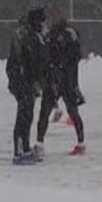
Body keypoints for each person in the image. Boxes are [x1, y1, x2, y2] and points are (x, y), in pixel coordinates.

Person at [7, 7, 48, 164]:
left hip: (27, 81)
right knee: (23, 115)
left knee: (28, 114)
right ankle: (18, 152)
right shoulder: (26, 36)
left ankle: (24, 147)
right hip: (22, 80)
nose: (44, 24)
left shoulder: (34, 36)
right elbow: (26, 61)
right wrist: (26, 80)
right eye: (42, 21)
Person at [41, 17, 86, 156]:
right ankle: (39, 142)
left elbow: (74, 57)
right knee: (46, 111)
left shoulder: (66, 35)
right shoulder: (52, 35)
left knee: (70, 111)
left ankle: (81, 142)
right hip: (60, 78)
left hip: (63, 79)